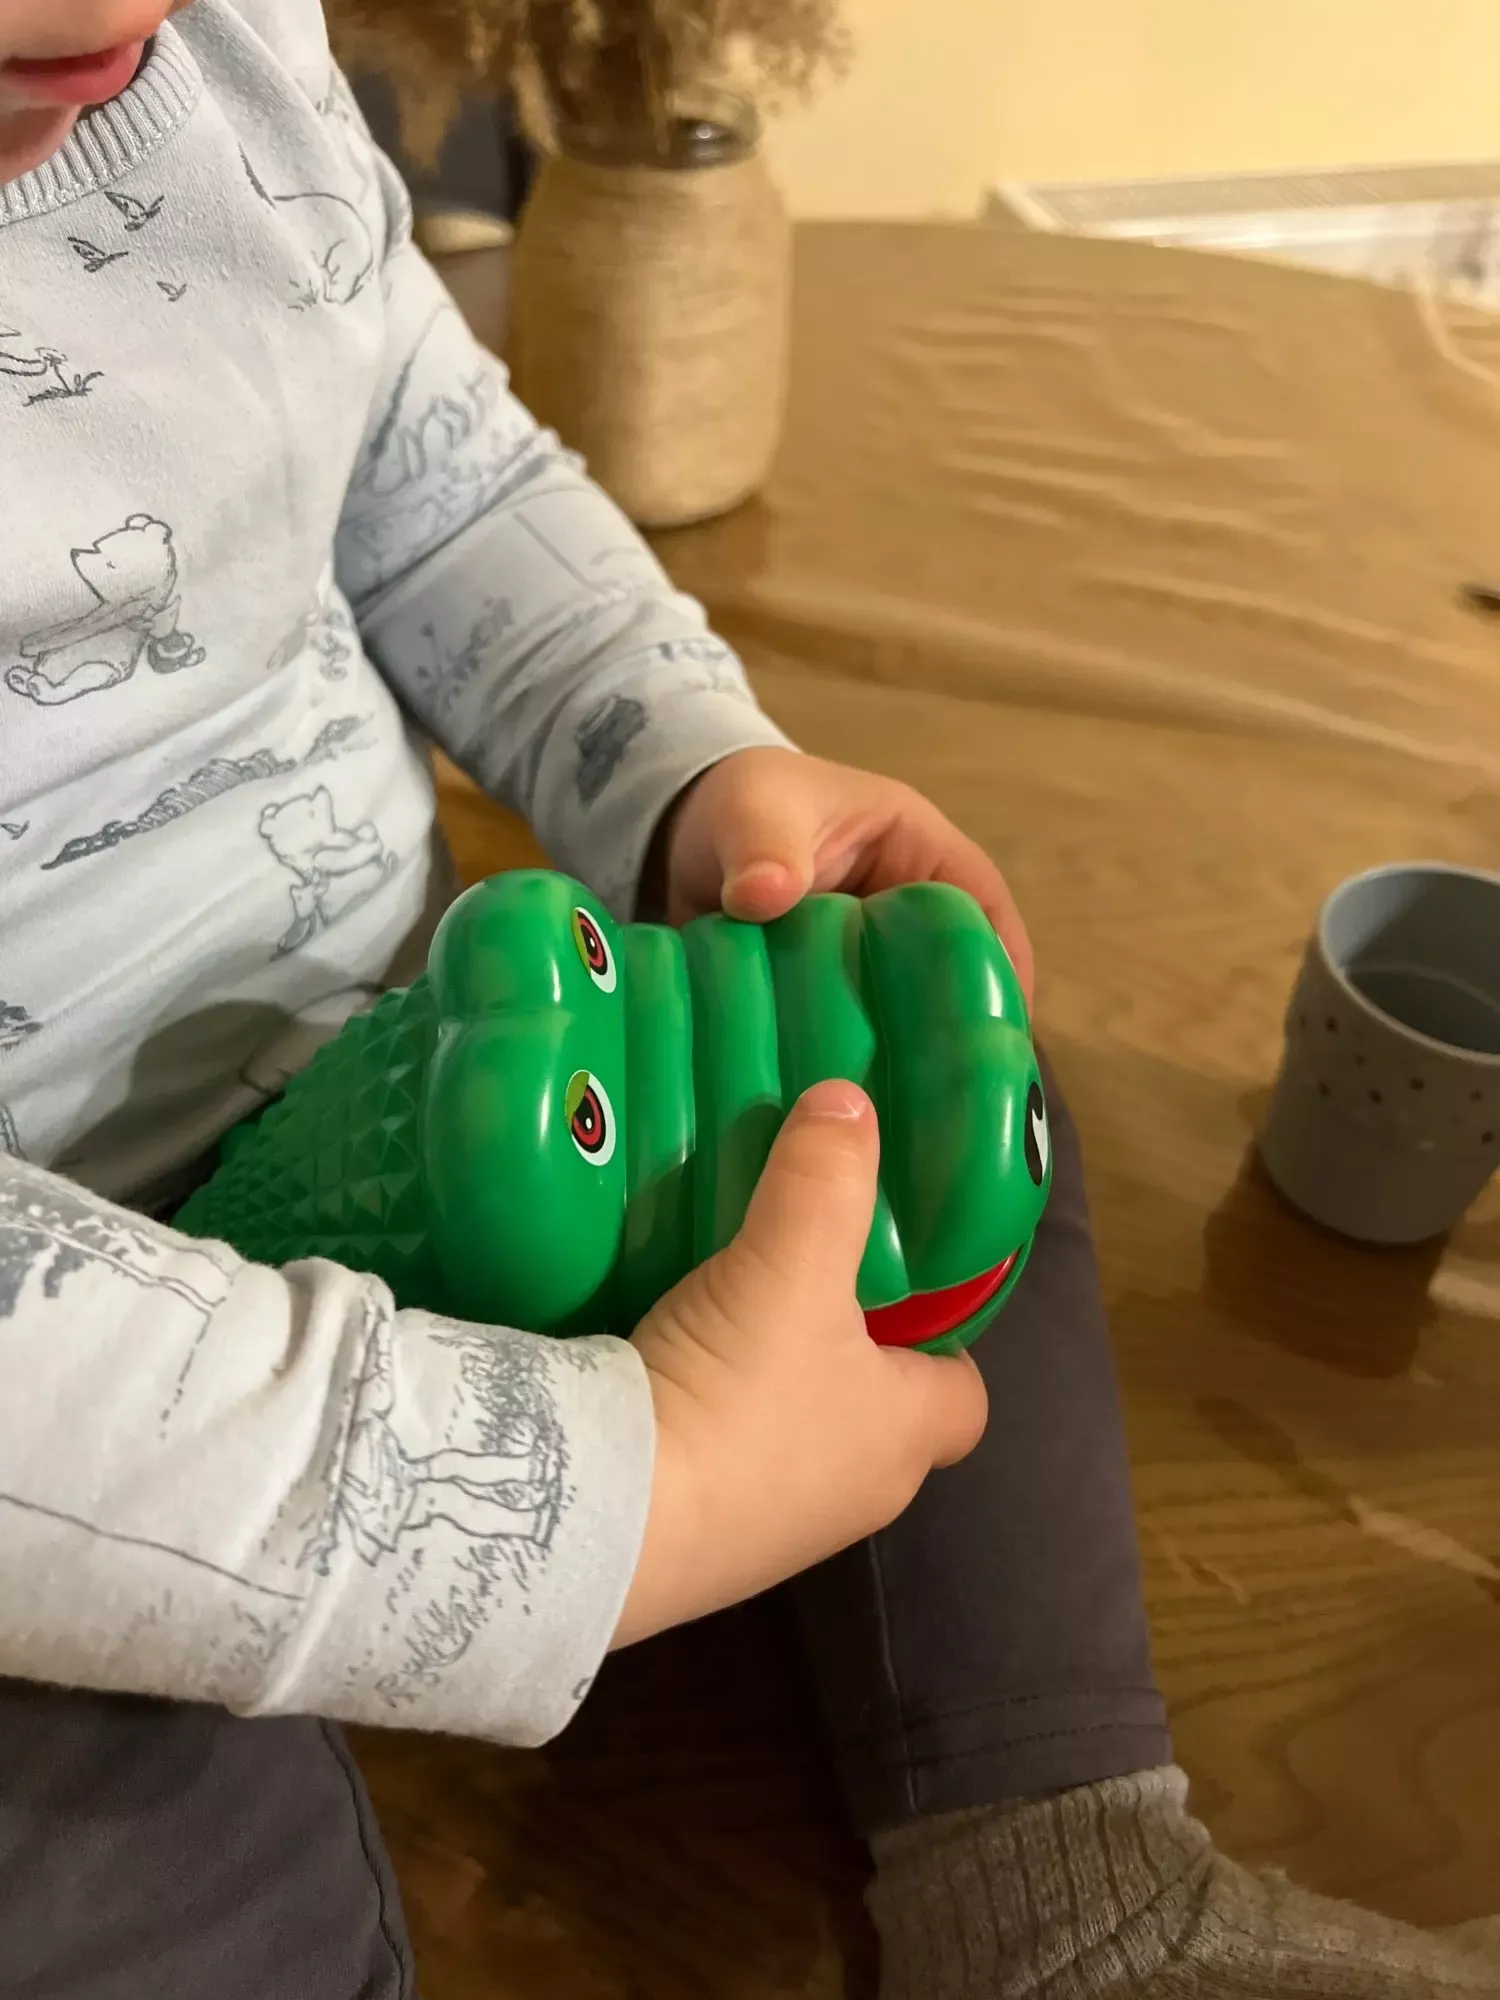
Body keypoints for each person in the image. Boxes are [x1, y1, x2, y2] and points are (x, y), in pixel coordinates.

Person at [0, 5, 1494, 1996]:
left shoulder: (196, 51)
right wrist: (599, 1501)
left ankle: (1066, 1898)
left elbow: (428, 477)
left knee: (940, 1098)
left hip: (446, 1066)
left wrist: (687, 761)